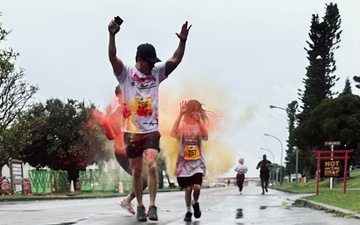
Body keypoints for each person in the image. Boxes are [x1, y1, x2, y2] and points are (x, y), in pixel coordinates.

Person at [107, 18, 191, 222]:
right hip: (132, 132)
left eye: (154, 62)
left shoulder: (156, 73)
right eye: (149, 62)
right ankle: (140, 206)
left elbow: (175, 60)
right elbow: (112, 57)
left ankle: (153, 205)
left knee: (152, 166)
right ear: (139, 59)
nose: (152, 65)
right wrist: (111, 35)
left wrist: (182, 41)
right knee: (137, 171)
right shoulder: (126, 74)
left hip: (151, 130)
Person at [100, 85, 148, 215]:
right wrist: (106, 123)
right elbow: (111, 136)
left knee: (146, 179)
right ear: (119, 96)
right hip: (123, 152)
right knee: (141, 178)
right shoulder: (117, 113)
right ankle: (139, 206)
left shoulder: (134, 109)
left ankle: (128, 201)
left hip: (135, 148)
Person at [170, 100, 209, 222]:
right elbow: (173, 133)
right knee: (188, 189)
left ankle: (195, 202)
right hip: (184, 164)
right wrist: (180, 114)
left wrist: (198, 121)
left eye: (197, 110)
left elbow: (205, 136)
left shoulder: (199, 125)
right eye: (193, 109)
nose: (195, 112)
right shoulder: (182, 125)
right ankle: (188, 211)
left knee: (197, 187)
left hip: (197, 163)